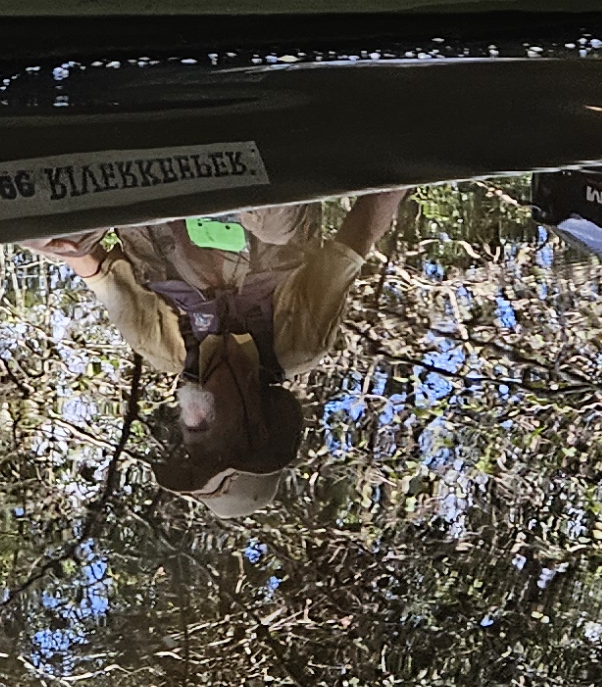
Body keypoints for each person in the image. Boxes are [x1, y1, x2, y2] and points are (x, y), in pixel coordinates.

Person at [31, 190, 410, 516]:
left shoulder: (163, 349)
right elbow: (355, 239)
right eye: (212, 451)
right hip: (255, 183)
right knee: (273, 227)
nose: (191, 439)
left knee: (47, 236)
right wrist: (412, 162)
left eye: (189, 450)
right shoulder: (299, 345)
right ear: (257, 427)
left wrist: (53, 240)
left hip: (145, 193)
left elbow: (93, 268)